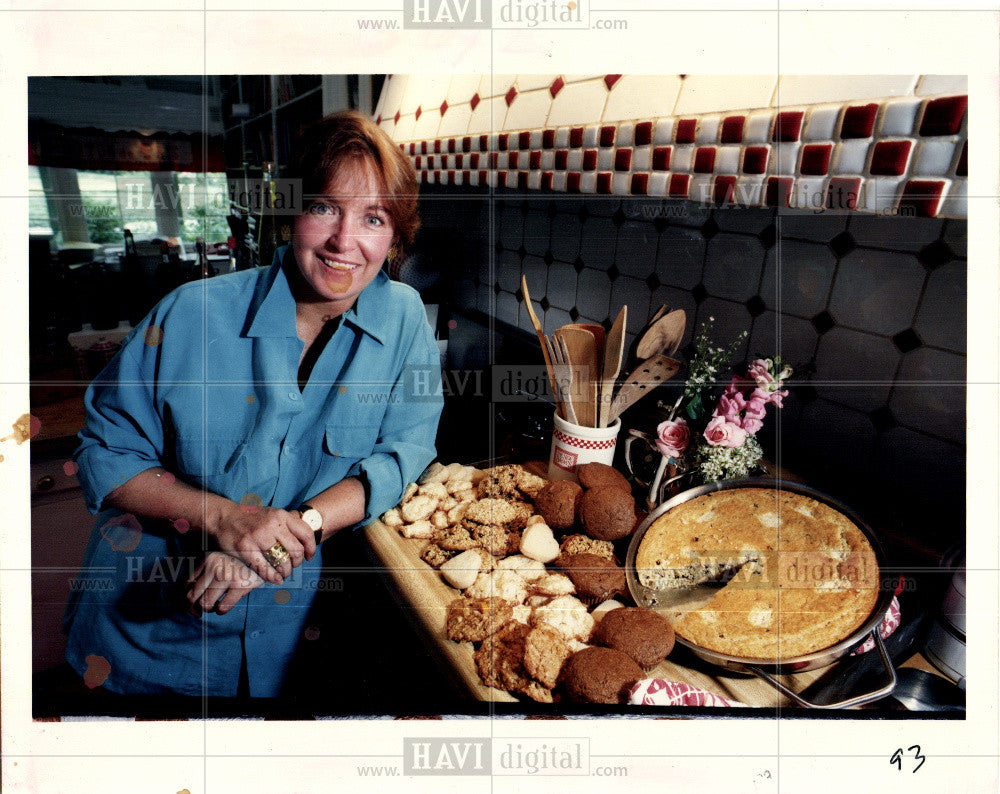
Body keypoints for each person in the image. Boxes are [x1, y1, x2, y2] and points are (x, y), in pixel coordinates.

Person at [62, 110, 442, 698]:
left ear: (396, 236)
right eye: (324, 207)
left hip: (282, 639)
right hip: (149, 639)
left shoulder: (405, 317)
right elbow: (107, 456)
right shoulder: (190, 314)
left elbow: (404, 451)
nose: (346, 241)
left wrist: (295, 528)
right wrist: (225, 518)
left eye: (374, 217)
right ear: (291, 210)